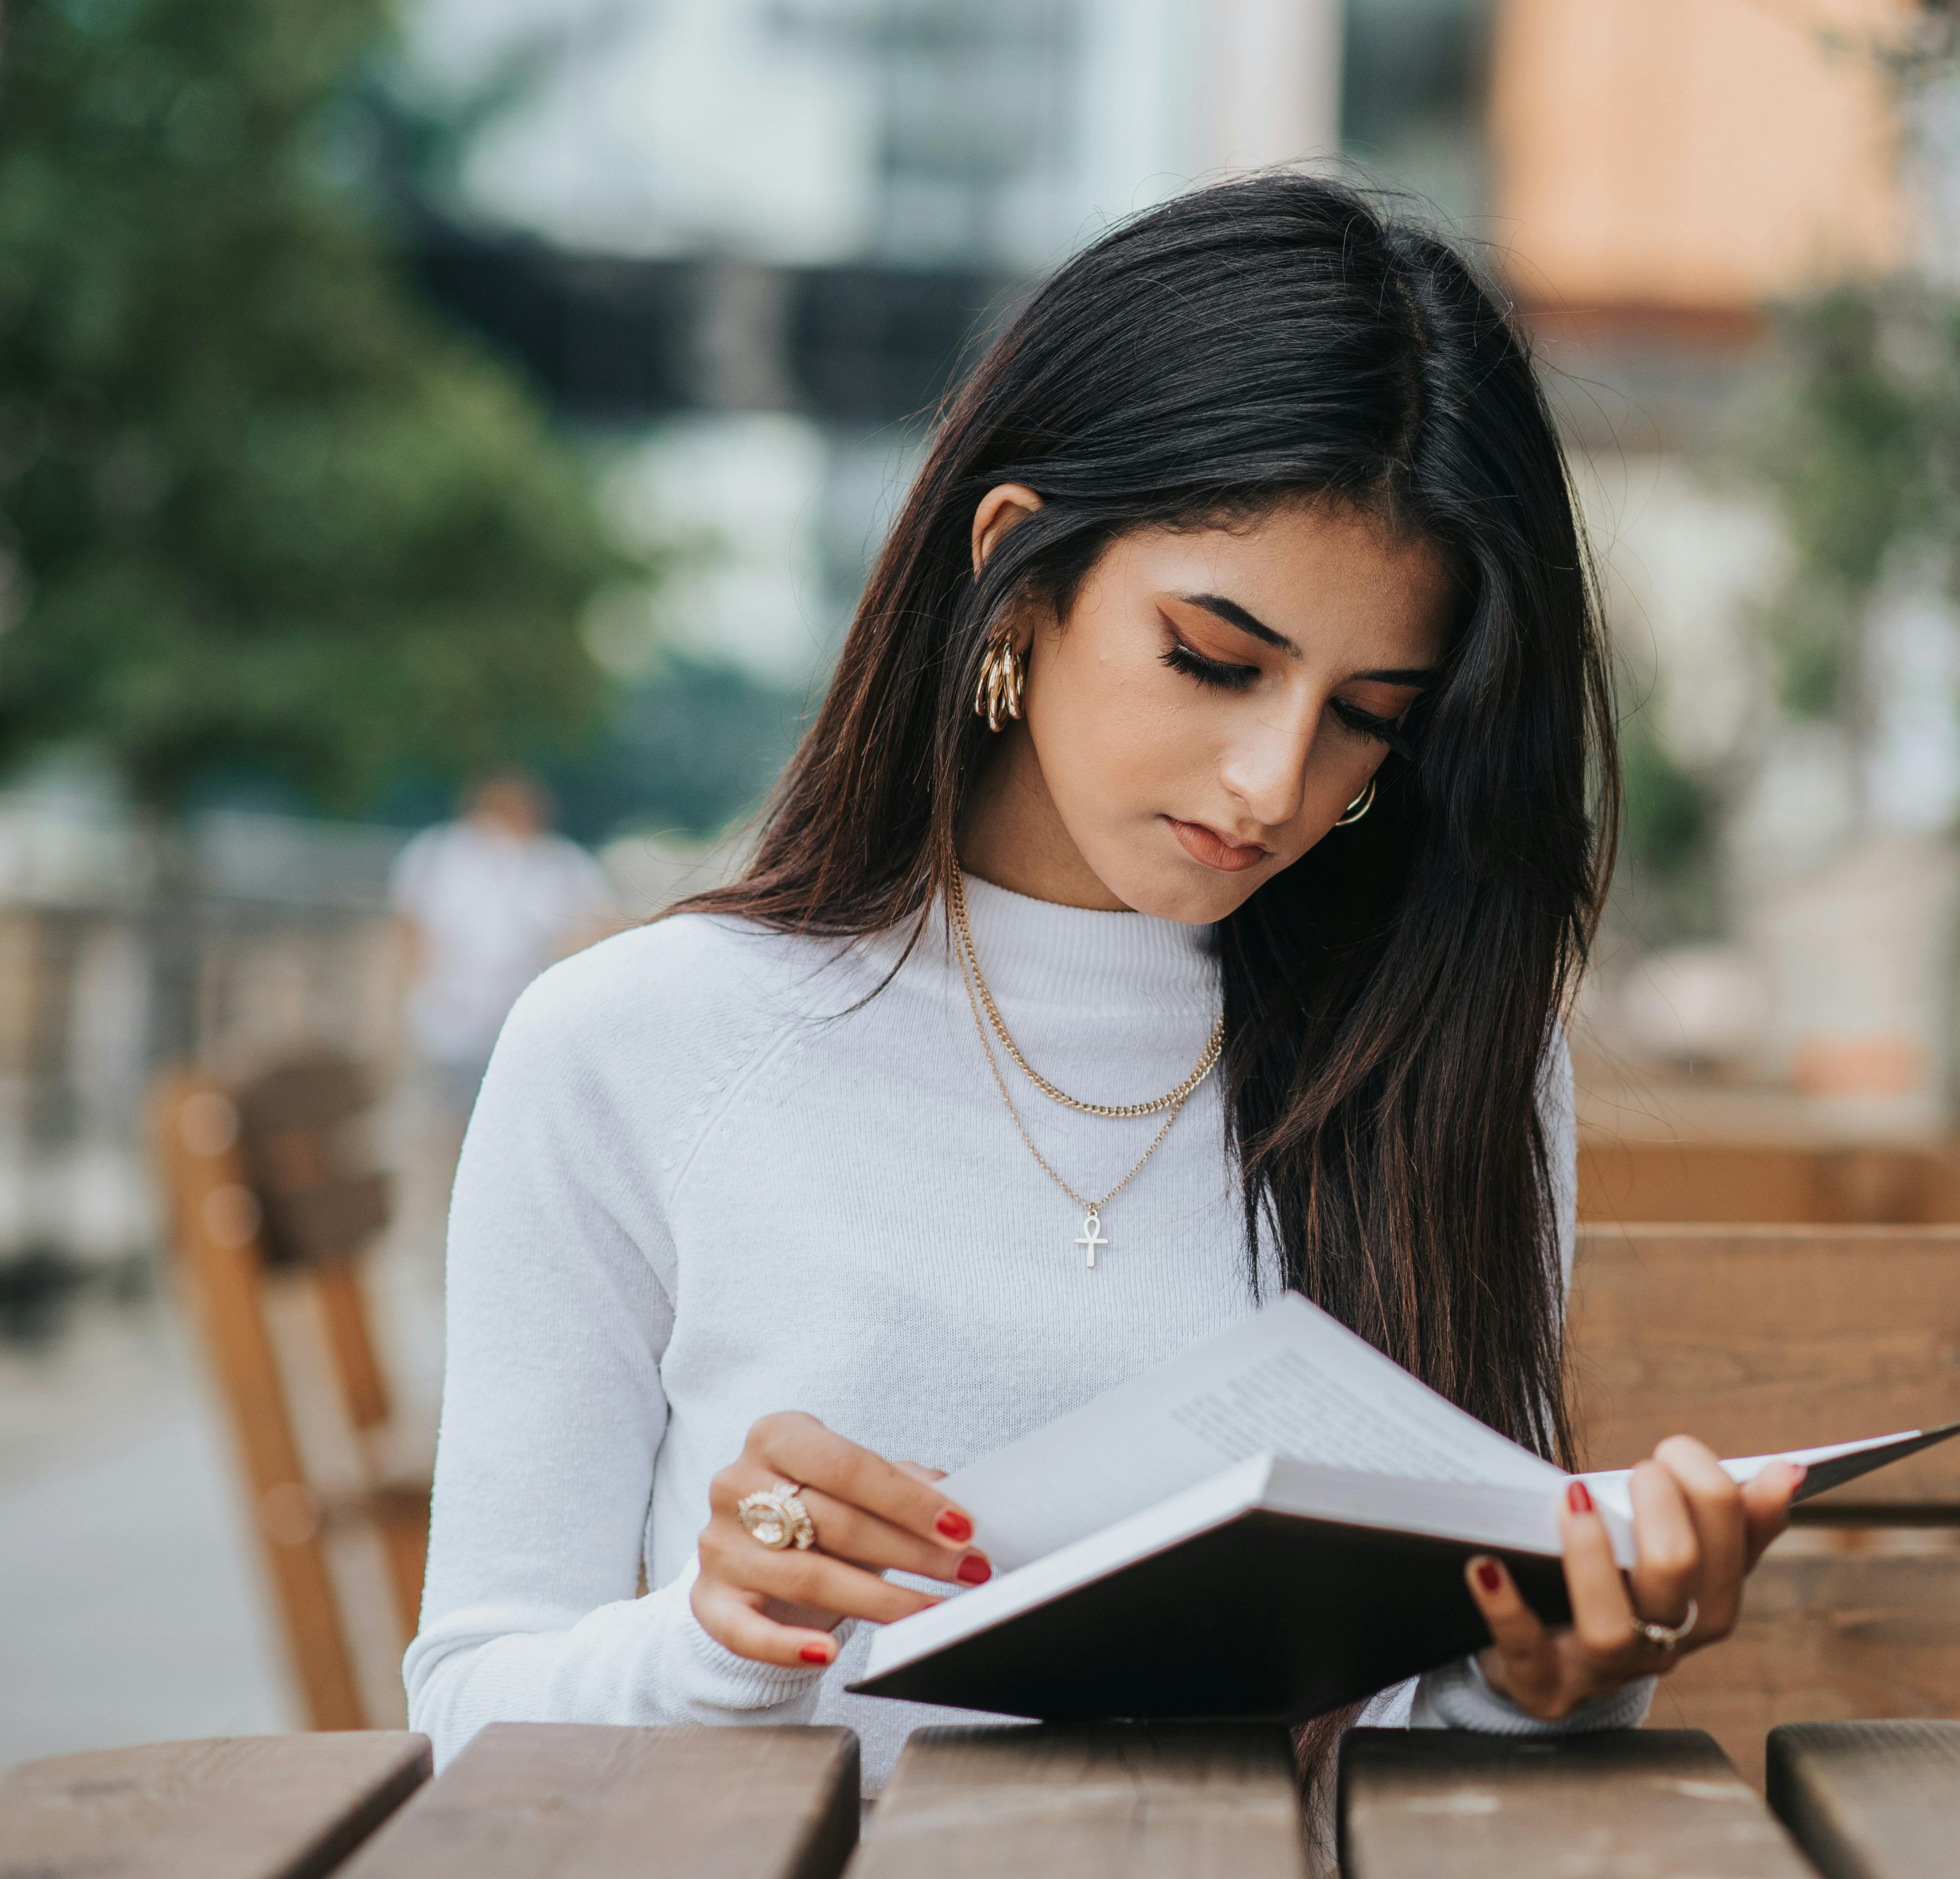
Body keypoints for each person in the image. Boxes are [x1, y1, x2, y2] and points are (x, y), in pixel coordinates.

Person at [403, 177, 1804, 1795]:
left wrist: (1544, 1684)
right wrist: (719, 1637)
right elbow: (468, 1715)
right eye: (1214, 660)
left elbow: (1398, 1755)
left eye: (1372, 713)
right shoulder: (636, 1046)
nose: (1277, 782)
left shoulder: (1441, 1054)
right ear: (1019, 571)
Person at [390, 769, 616, 1115]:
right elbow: (409, 937)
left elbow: (592, 936)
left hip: (525, 1032)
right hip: (447, 1029)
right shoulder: (436, 855)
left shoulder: (564, 866)